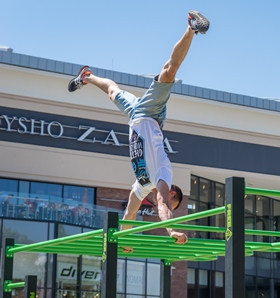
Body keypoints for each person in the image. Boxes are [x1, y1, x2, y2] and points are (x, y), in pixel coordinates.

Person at [67, 10, 209, 250]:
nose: (156, 203)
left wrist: (124, 239)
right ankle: (192, 27)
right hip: (151, 114)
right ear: (172, 193)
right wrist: (172, 229)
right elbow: (163, 204)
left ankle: (86, 77)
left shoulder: (142, 184)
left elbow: (130, 212)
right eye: (169, 203)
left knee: (112, 91)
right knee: (169, 71)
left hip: (135, 116)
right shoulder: (163, 176)